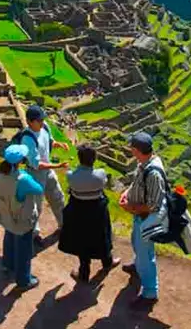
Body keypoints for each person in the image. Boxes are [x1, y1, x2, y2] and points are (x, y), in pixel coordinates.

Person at [119, 132, 166, 308]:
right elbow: (137, 183)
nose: (130, 149)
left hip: (146, 218)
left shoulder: (153, 173)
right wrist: (127, 193)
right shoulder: (144, 164)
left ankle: (149, 293)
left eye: (132, 147)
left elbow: (154, 204)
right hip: (139, 216)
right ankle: (138, 266)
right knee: (136, 243)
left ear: (137, 150)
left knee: (145, 253)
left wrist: (130, 208)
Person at [59, 144, 118, 283]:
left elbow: (70, 182)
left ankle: (84, 272)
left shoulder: (71, 176)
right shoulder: (100, 174)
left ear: (79, 159)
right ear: (94, 159)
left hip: (79, 212)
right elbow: (103, 184)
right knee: (102, 236)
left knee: (82, 241)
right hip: (97, 211)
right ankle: (107, 262)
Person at [0, 144, 44, 290]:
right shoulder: (23, 179)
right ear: (20, 161)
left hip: (5, 214)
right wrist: (28, 175)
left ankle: (8, 264)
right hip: (21, 219)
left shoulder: (0, 170)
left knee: (9, 236)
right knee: (24, 249)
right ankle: (24, 280)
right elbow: (38, 189)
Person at [18, 105, 69, 244]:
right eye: (39, 120)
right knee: (36, 205)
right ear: (30, 122)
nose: (42, 122)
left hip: (48, 171)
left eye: (42, 119)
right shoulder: (27, 138)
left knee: (58, 197)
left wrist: (59, 144)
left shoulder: (44, 127)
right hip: (35, 174)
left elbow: (50, 141)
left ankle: (64, 225)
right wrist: (58, 166)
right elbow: (37, 164)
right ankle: (34, 234)